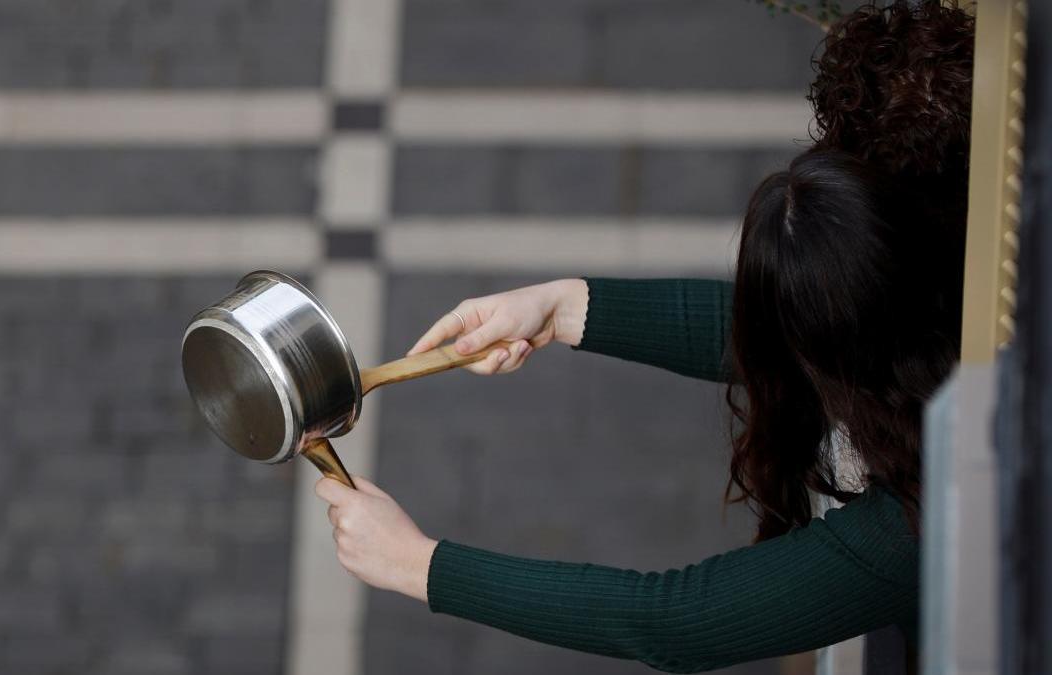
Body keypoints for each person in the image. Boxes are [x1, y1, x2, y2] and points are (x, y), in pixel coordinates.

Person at [314, 1, 973, 672]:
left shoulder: (905, 529)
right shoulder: (951, 286)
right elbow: (787, 337)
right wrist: (560, 307)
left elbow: (669, 617)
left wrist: (417, 564)